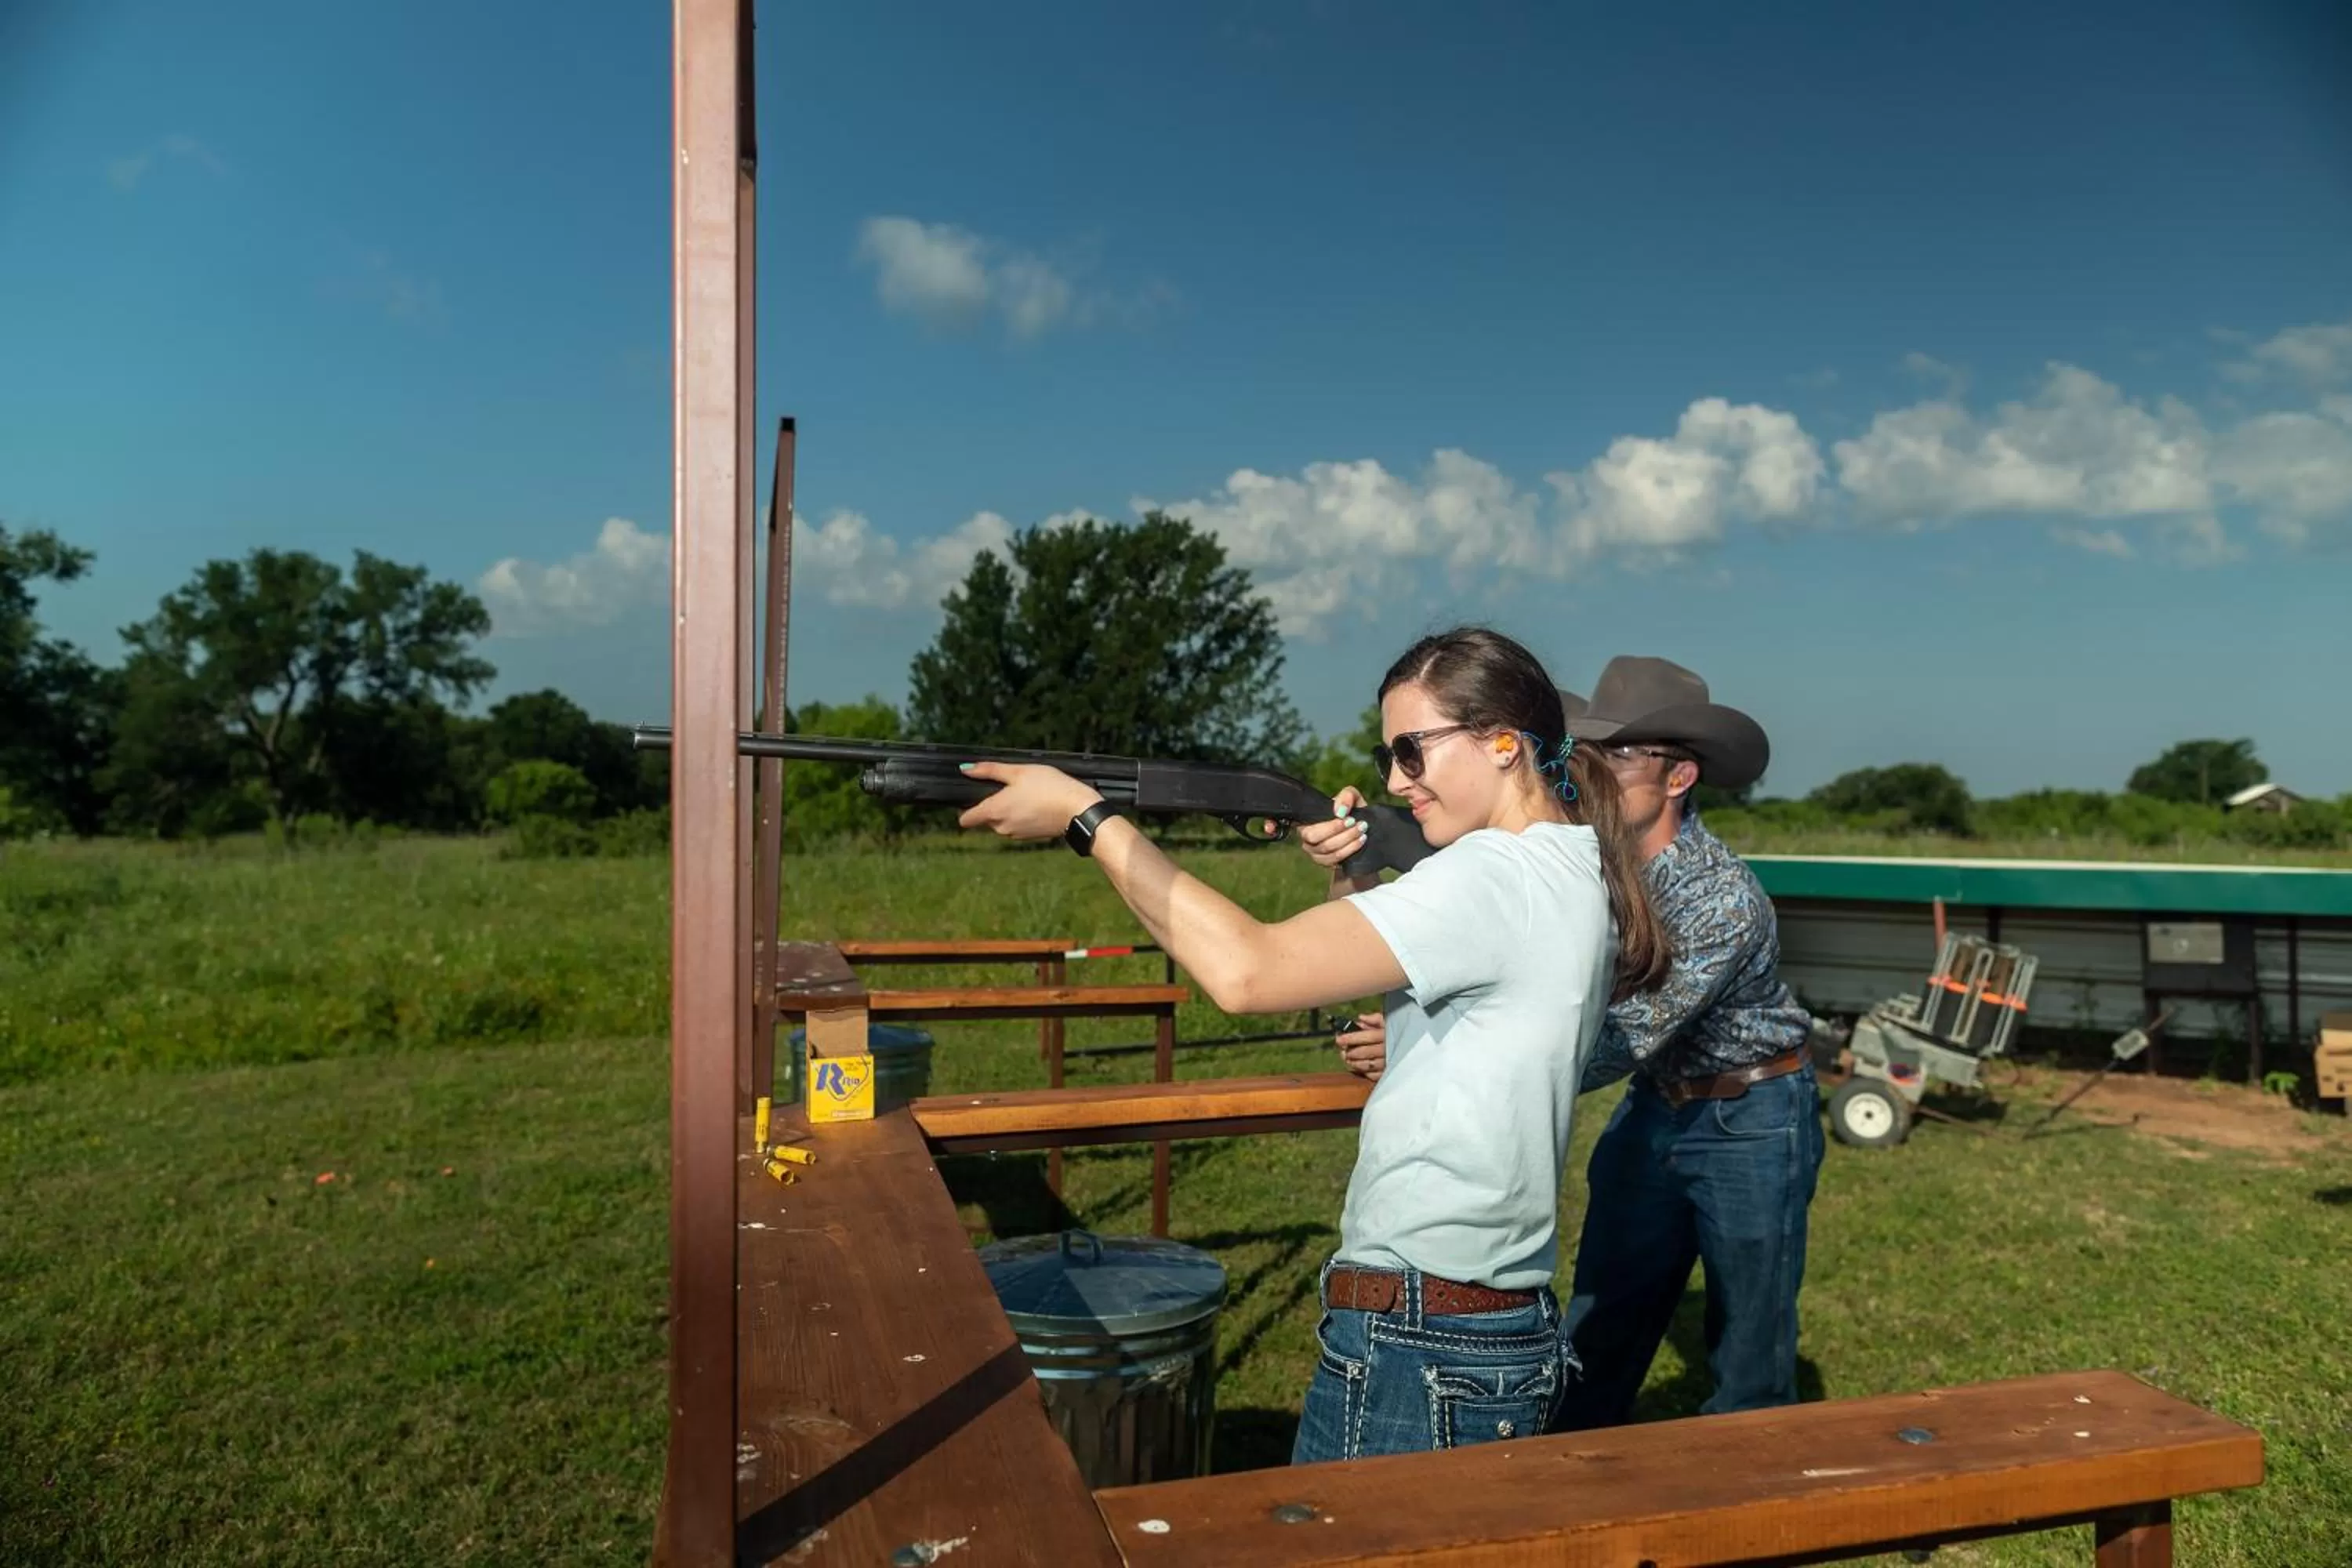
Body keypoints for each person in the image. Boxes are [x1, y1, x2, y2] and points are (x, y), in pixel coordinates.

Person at [955, 626, 1669, 1465]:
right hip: (1469, 1324)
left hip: (1422, 1336)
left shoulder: (1493, 876)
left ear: (1505, 743)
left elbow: (1247, 974)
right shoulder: (1564, 864)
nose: (1398, 781)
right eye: (1388, 756)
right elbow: (1385, 972)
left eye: (1413, 750)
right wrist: (1354, 871)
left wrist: (1089, 821)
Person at [1307, 655, 1823, 1428]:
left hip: (1750, 1109)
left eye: (1622, 752)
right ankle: (1570, 1480)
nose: (1596, 766)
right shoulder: (1580, 854)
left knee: (1751, 1339)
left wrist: (1436, 1042)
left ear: (1679, 776)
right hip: (1657, 1098)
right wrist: (1366, 843)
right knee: (1605, 1306)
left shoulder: (1722, 894)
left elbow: (1614, 1032)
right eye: (1594, 746)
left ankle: (1759, 1495)